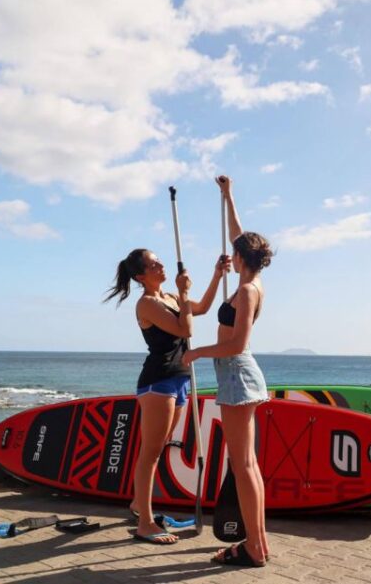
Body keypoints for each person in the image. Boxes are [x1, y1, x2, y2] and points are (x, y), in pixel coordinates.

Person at [104, 248, 227, 544]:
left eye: (160, 261)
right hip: (158, 382)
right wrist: (184, 293)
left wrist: (216, 275)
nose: (161, 265)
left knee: (157, 450)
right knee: (150, 453)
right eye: (154, 264)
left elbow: (203, 309)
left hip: (179, 381)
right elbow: (185, 328)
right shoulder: (146, 304)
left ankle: (138, 504)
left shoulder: (170, 297)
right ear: (140, 276)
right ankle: (145, 524)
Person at [182, 175, 273, 567]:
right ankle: (259, 542)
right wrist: (228, 195)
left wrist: (197, 352)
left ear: (241, 258)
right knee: (247, 465)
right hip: (236, 373)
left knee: (243, 465)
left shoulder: (249, 290)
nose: (230, 255)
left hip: (236, 371)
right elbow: (239, 233)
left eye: (235, 253)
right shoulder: (249, 279)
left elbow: (237, 343)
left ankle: (253, 546)